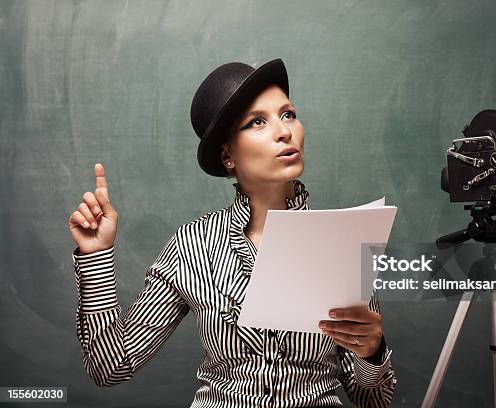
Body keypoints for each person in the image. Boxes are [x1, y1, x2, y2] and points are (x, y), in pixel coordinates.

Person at [68, 58, 397, 407]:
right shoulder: (193, 245)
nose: (284, 131)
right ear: (228, 156)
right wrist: (95, 256)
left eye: (288, 114)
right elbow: (109, 367)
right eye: (257, 122)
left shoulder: (340, 243)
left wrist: (372, 352)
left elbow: (373, 399)